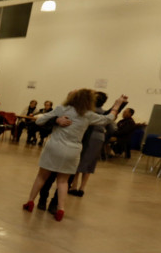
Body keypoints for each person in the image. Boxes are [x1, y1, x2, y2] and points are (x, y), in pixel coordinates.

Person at [22, 89, 126, 221]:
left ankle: (30, 202)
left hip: (54, 147)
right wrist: (117, 105)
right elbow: (108, 119)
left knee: (41, 177)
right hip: (73, 150)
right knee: (63, 181)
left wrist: (56, 120)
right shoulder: (89, 115)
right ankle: (61, 209)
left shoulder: (62, 109)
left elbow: (38, 121)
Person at [69, 92, 121, 197]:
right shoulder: (105, 113)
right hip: (99, 138)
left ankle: (74, 185)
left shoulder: (87, 112)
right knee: (90, 163)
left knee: (79, 160)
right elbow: (112, 129)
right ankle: (82, 188)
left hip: (86, 136)